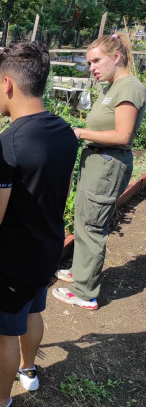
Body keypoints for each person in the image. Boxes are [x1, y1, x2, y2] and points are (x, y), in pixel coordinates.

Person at [0, 42, 78, 407]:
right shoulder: (64, 131)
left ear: (8, 83)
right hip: (48, 245)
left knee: (2, 330)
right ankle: (29, 371)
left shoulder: (7, 145)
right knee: (33, 310)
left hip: (13, 257)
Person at [53, 33, 146, 310]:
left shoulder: (129, 87)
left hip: (108, 163)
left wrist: (80, 132)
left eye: (96, 60)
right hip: (96, 161)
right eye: (89, 62)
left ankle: (85, 292)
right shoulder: (111, 87)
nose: (91, 67)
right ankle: (81, 271)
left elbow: (123, 136)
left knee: (93, 226)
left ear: (116, 57)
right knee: (84, 219)